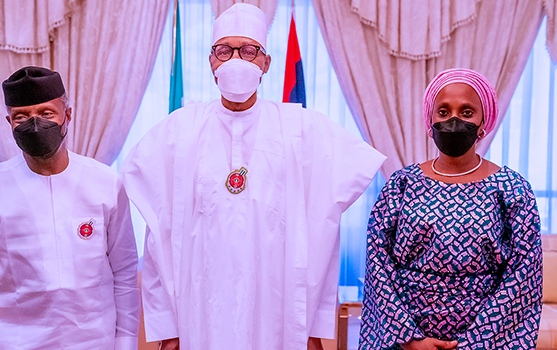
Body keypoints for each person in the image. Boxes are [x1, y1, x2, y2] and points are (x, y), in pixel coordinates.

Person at [120, 4, 386, 350]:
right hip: (201, 310)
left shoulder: (302, 129)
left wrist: (314, 326)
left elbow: (326, 225)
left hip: (277, 308)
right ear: (211, 61)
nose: (235, 60)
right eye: (224, 50)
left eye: (248, 51)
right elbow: (157, 240)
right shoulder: (178, 131)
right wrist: (166, 329)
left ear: (265, 62)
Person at [0, 66, 140, 349]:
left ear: (68, 115)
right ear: (9, 122)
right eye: (22, 116)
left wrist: (125, 342)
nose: (35, 123)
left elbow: (124, 275)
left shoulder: (106, 184)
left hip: (92, 340)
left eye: (46, 113)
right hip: (12, 341)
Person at [358, 68, 543, 349]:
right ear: (430, 122)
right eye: (443, 112)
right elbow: (378, 263)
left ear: (484, 122)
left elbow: (524, 274)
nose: (454, 120)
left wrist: (475, 343)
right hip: (407, 340)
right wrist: (409, 339)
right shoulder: (401, 184)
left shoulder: (513, 189)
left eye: (467, 112)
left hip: (487, 339)